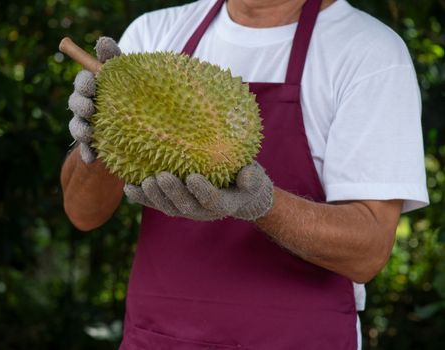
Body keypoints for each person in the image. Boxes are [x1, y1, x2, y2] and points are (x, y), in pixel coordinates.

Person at [61, 0, 429, 348]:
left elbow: (366, 253)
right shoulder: (155, 33)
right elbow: (83, 212)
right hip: (159, 337)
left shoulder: (369, 52)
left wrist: (262, 204)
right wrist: (96, 142)